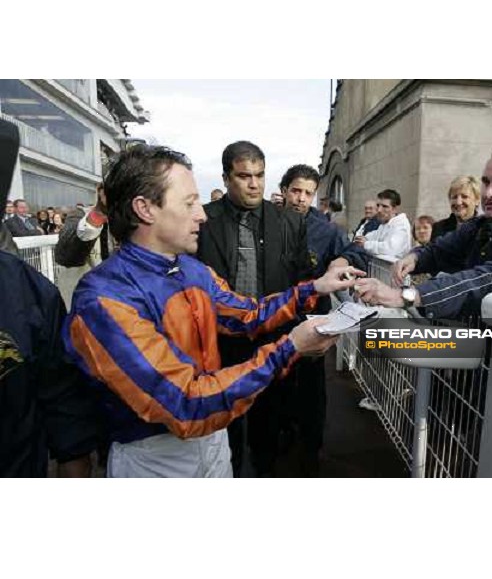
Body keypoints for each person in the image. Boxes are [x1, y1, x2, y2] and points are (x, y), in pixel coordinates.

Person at [63, 144, 359, 478]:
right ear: (145, 209)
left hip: (215, 439)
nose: (202, 214)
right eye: (189, 203)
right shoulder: (105, 298)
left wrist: (314, 287)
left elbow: (249, 314)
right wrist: (289, 348)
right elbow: (185, 404)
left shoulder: (193, 271)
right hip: (157, 458)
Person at [197, 141, 315, 477]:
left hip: (273, 340)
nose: (254, 184)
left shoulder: (289, 223)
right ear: (226, 177)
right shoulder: (204, 220)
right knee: (224, 428)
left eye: (260, 175)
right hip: (220, 341)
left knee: (269, 426)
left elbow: (301, 279)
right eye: (244, 176)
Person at [355, 144, 492, 320]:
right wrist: (415, 257)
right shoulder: (480, 224)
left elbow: (486, 281)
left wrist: (404, 296)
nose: (489, 193)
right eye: (486, 182)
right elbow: (442, 249)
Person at [0, 118, 99, 477]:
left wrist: (73, 452)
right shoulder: (82, 218)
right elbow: (69, 253)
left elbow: (57, 386)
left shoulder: (25, 288)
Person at [280, 163, 369, 473]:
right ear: (284, 190)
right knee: (277, 385)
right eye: (296, 191)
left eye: (308, 193)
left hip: (314, 317)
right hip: (274, 317)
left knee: (312, 390)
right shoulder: (268, 223)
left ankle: (311, 451)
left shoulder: (326, 229)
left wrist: (340, 262)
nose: (301, 198)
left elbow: (356, 253)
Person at [54, 184, 114, 309]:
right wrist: (99, 214)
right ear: (101, 191)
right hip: (83, 304)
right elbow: (65, 255)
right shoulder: (78, 215)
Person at [353, 188, 412, 260]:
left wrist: (366, 244)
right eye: (378, 205)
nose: (379, 210)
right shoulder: (384, 224)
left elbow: (391, 249)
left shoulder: (401, 226)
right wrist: (363, 239)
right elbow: (371, 235)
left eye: (385, 206)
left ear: (395, 209)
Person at [431, 175, 480, 242]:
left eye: (464, 197)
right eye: (454, 197)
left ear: (477, 200)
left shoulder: (484, 229)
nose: (458, 202)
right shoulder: (439, 228)